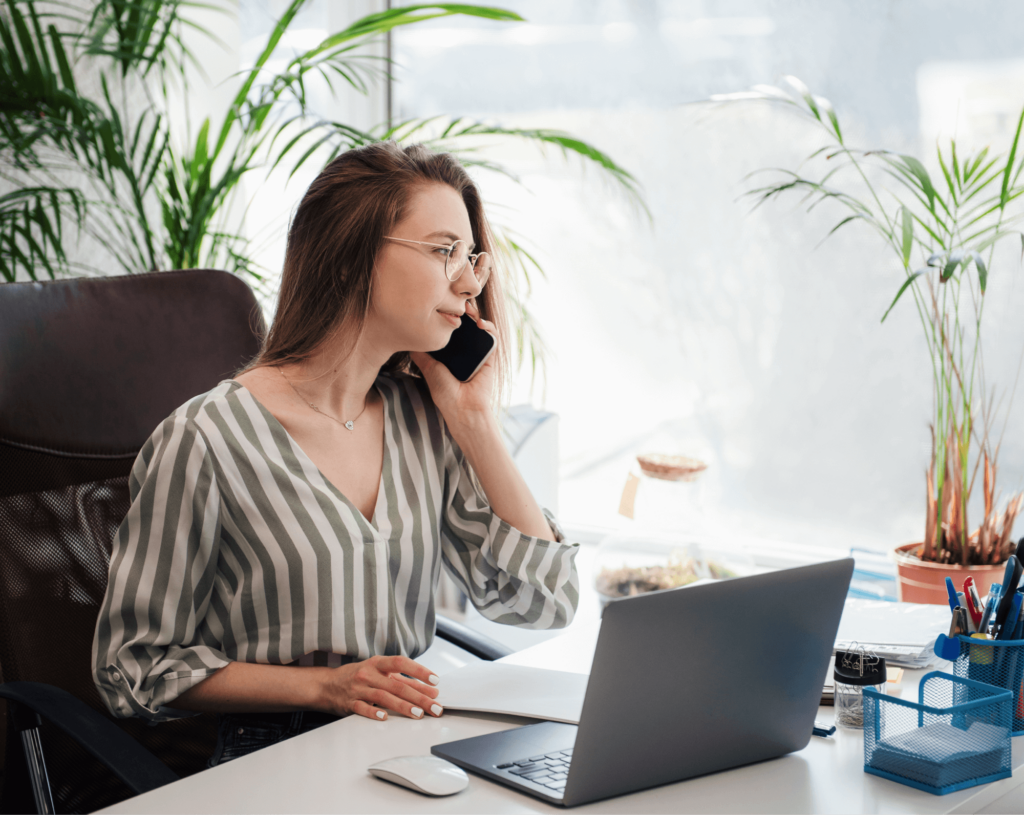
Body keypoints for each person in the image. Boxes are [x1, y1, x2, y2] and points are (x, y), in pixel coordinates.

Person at [92, 141, 580, 765]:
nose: (468, 281)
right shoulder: (206, 438)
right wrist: (326, 687)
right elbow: (130, 669)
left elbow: (544, 602)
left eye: (471, 255)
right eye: (443, 251)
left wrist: (476, 422)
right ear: (352, 257)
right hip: (271, 756)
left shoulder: (424, 421)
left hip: (408, 741)